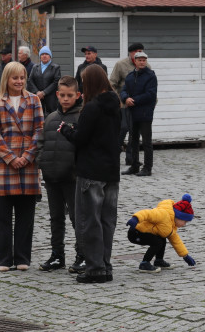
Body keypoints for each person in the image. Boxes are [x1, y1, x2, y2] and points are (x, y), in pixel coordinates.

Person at [59, 64, 121, 283]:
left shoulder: (92, 108)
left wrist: (66, 129)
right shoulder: (116, 105)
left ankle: (95, 269)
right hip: (111, 172)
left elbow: (81, 138)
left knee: (90, 221)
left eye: (84, 81)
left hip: (91, 171)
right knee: (107, 222)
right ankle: (105, 265)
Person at [0, 61, 44, 271]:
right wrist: (11, 157)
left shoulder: (34, 100)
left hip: (28, 164)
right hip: (4, 165)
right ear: (7, 79)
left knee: (25, 216)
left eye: (22, 77)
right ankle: (3, 259)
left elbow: (40, 130)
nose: (19, 81)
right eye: (15, 78)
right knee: (2, 217)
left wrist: (27, 156)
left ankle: (22, 258)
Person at [36, 76, 82, 272]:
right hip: (52, 177)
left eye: (69, 95)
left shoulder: (81, 117)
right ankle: (57, 254)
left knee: (76, 217)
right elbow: (41, 143)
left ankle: (82, 255)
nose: (65, 99)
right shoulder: (51, 118)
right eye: (62, 95)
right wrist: (42, 162)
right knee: (55, 218)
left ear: (77, 95)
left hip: (72, 178)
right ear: (56, 95)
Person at [125, 195, 197, 273]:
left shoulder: (172, 226)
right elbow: (147, 213)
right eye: (185, 221)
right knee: (157, 242)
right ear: (179, 216)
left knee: (162, 239)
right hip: (136, 232)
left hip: (145, 233)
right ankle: (144, 263)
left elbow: (176, 242)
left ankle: (159, 260)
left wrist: (185, 256)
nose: (184, 224)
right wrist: (135, 219)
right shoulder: (163, 214)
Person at [110, 42, 150, 170]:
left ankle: (131, 159)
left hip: (139, 106)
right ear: (131, 53)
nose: (139, 56)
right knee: (123, 129)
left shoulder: (146, 66)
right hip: (123, 105)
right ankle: (114, 156)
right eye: (136, 52)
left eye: (141, 52)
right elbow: (112, 84)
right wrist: (120, 99)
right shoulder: (120, 65)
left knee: (135, 133)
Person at [120, 50, 158, 176]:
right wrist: (125, 98)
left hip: (145, 113)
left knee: (146, 141)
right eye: (139, 60)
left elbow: (150, 94)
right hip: (132, 112)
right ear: (134, 61)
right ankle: (134, 166)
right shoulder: (130, 76)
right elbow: (124, 90)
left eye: (144, 60)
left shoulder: (151, 76)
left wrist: (134, 100)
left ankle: (147, 168)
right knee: (133, 140)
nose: (142, 62)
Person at [27, 46, 61, 115]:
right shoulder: (35, 67)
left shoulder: (55, 67)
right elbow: (30, 80)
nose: (44, 56)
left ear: (50, 56)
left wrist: (44, 93)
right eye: (42, 54)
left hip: (51, 100)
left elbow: (56, 82)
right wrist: (37, 92)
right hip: (37, 98)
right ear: (40, 56)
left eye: (46, 54)